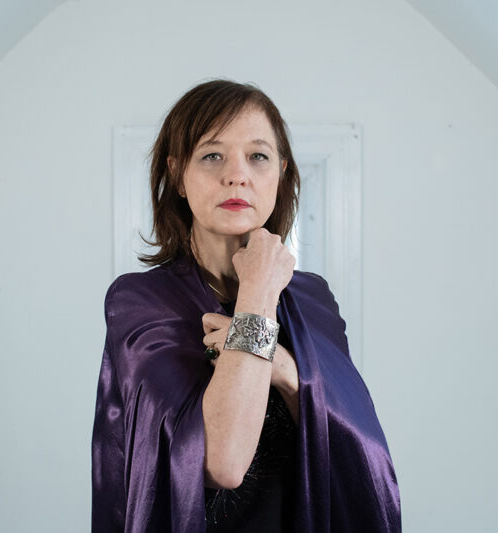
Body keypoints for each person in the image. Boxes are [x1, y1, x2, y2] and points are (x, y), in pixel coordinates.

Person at [91, 80, 401, 532]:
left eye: (258, 156)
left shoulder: (315, 299)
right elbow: (222, 463)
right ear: (177, 174)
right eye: (212, 155)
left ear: (281, 172)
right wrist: (257, 291)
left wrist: (287, 372)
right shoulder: (139, 300)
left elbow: (363, 455)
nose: (237, 174)